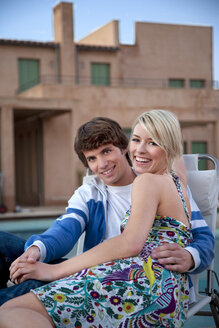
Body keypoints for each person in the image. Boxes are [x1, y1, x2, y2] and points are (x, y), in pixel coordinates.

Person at [0, 110, 214, 327]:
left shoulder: (148, 181)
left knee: (10, 308)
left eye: (106, 152)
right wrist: (36, 250)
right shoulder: (174, 183)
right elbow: (66, 229)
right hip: (108, 274)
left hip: (130, 282)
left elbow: (135, 242)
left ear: (122, 149)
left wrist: (191, 256)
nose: (101, 164)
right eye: (92, 158)